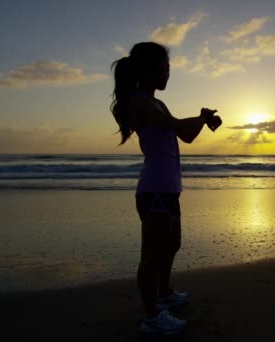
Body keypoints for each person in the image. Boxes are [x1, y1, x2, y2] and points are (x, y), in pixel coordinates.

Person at [110, 42, 222, 335]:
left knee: (172, 245)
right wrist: (202, 118)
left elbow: (186, 137)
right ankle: (151, 316)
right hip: (155, 189)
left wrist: (202, 120)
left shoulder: (157, 103)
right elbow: (181, 127)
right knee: (151, 256)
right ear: (146, 71)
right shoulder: (139, 103)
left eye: (169, 69)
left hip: (168, 188)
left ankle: (164, 294)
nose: (167, 74)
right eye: (163, 68)